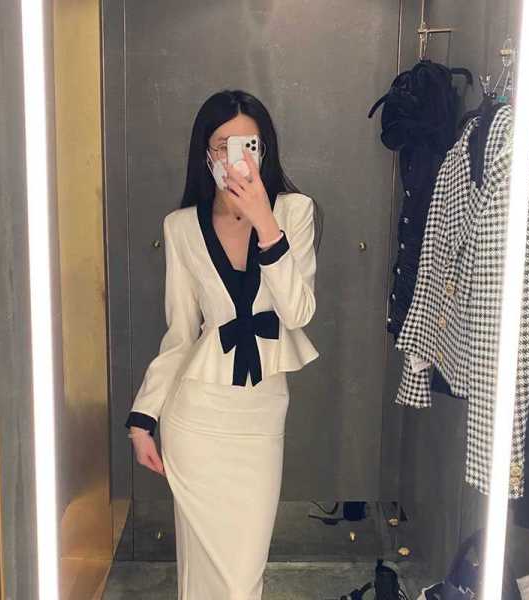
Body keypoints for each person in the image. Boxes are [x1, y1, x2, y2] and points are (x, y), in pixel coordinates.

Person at [125, 89, 321, 599]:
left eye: (248, 145)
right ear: (205, 154)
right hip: (196, 421)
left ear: (264, 150)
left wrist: (264, 220)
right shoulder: (181, 227)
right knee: (201, 573)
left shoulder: (294, 212)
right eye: (223, 145)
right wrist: (144, 419)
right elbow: (179, 334)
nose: (236, 157)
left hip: (260, 421)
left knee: (241, 579)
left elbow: (298, 312)